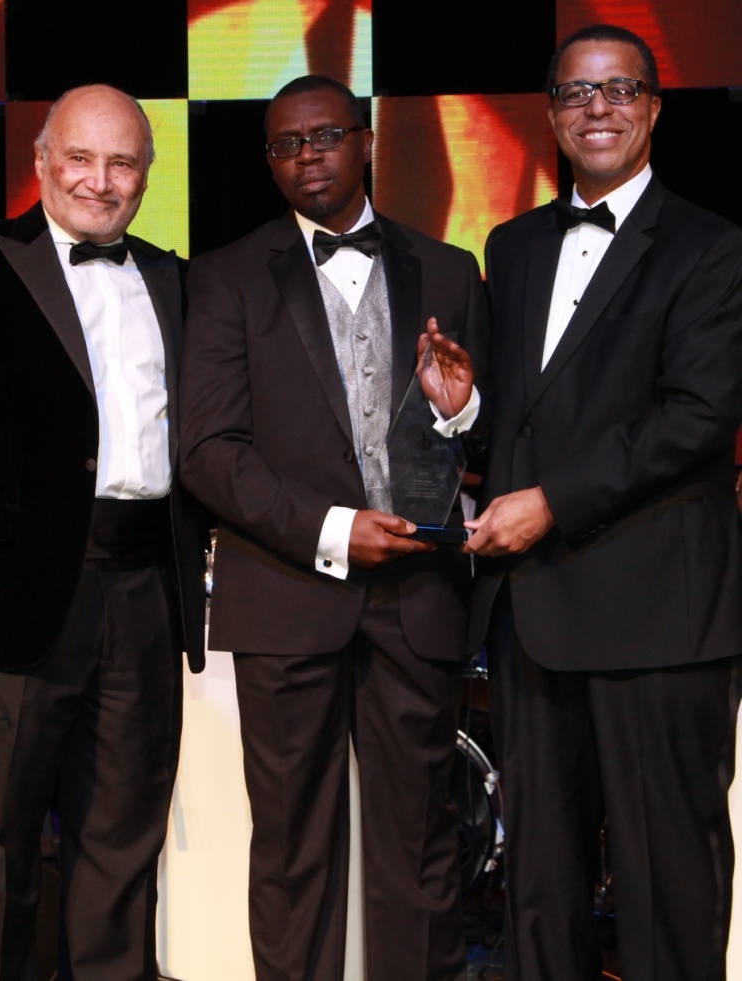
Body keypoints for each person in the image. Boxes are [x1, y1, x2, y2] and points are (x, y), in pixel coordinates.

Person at [0, 85, 208, 980]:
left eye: (122, 163)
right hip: (4, 598)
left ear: (147, 175)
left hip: (147, 591)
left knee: (121, 847)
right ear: (40, 161)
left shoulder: (174, 277)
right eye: (81, 158)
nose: (100, 181)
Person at [179, 75, 490, 980]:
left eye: (323, 137)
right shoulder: (226, 275)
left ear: (366, 141)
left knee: (422, 846)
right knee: (290, 848)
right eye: (285, 144)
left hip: (418, 597)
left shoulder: (450, 267)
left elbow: (474, 430)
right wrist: (331, 529)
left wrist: (462, 415)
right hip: (284, 594)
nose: (306, 156)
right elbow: (208, 449)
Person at [464, 24, 742, 981]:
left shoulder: (713, 248)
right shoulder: (511, 246)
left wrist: (549, 500)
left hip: (660, 613)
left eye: (620, 90)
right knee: (540, 886)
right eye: (578, 94)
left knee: (671, 884)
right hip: (533, 614)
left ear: (654, 110)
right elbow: (521, 418)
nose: (598, 109)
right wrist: (461, 404)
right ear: (550, 115)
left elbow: (697, 417)